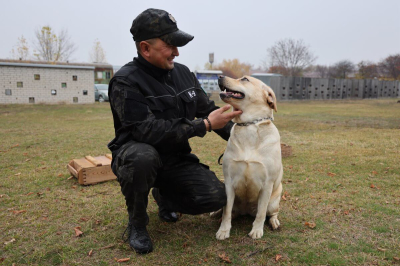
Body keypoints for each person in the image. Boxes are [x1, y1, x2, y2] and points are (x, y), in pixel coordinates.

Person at [107, 8, 242, 254]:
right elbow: (145, 131)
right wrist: (204, 125)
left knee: (216, 197)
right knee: (143, 158)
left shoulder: (182, 73)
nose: (177, 52)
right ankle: (137, 224)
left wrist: (241, 134)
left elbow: (207, 109)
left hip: (175, 159)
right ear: (145, 48)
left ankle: (164, 196)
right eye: (170, 45)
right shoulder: (126, 81)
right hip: (137, 155)